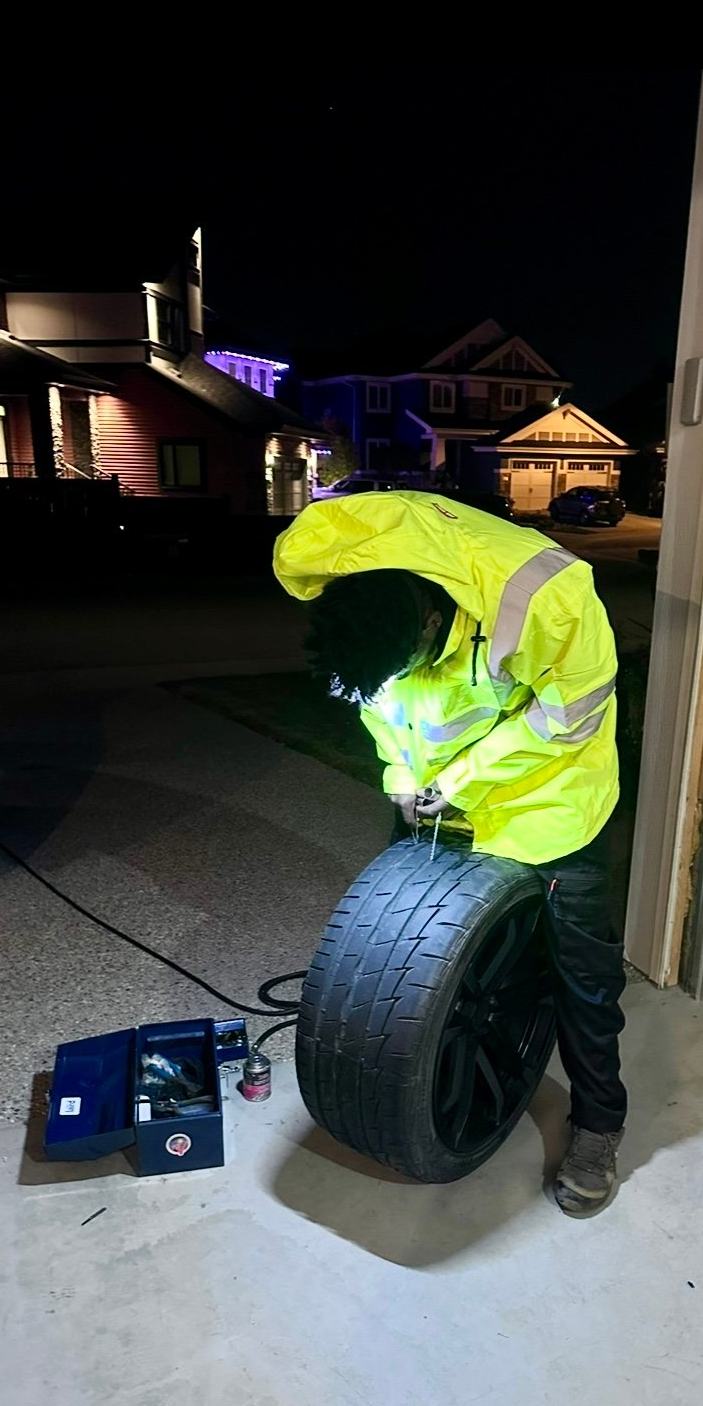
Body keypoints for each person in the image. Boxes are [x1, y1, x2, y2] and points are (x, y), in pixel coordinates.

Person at [273, 489, 626, 1218]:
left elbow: (569, 717)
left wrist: (458, 780)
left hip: (549, 797)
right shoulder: (346, 571)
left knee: (581, 975)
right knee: (402, 957)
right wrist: (400, 775)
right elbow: (381, 707)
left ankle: (599, 1125)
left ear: (434, 620)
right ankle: (409, 1078)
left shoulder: (546, 599)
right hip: (435, 794)